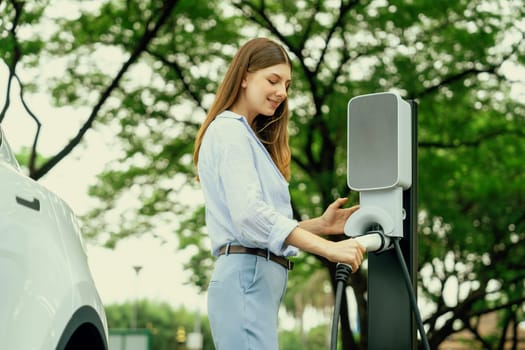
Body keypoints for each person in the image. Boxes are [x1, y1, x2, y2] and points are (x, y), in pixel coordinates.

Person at [193, 37, 365, 350]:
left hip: (255, 283)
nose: (282, 93)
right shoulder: (229, 130)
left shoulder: (247, 136)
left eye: (287, 84)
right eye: (272, 80)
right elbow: (249, 218)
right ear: (244, 76)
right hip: (246, 279)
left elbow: (258, 222)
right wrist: (329, 249)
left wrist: (320, 226)